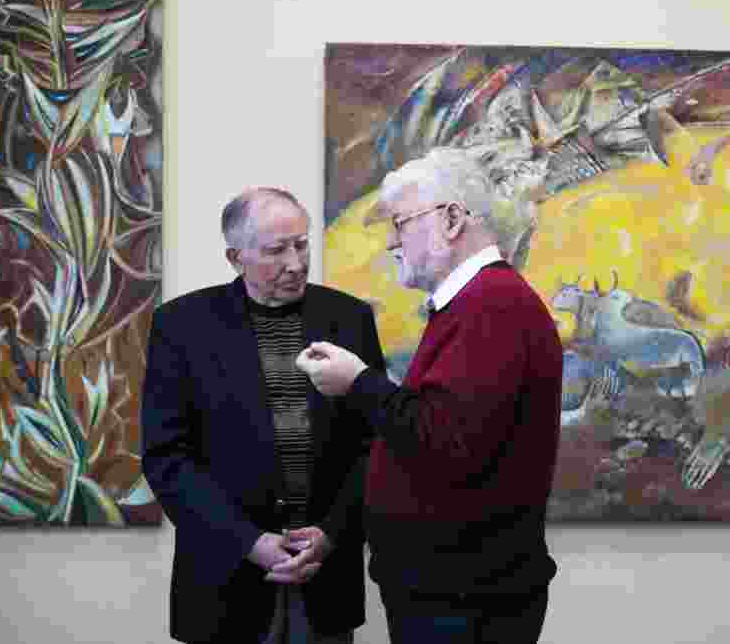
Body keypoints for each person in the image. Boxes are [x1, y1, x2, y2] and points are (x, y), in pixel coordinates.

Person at [296, 147, 563, 644]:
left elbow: (442, 438)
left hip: (466, 600)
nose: (390, 243)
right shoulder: (477, 304)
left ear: (453, 219)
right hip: (453, 592)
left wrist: (358, 382)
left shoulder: (492, 307)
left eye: (400, 223)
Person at [141, 187, 386, 643]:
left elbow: (374, 446)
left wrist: (332, 533)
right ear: (236, 258)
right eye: (276, 251)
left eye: (302, 244)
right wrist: (250, 543)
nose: (295, 263)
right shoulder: (182, 325)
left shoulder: (349, 318)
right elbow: (167, 458)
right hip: (225, 579)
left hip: (326, 577)